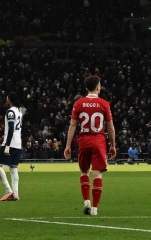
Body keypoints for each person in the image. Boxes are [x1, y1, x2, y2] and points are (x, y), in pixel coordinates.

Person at [63, 75, 117, 216]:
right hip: (98, 140)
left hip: (84, 140)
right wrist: (113, 145)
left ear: (87, 88)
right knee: (97, 174)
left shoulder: (78, 103)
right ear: (98, 88)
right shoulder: (104, 104)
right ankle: (94, 209)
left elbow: (73, 125)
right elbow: (110, 128)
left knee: (84, 171)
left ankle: (86, 201)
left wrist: (68, 145)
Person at [0, 91, 25, 201]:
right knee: (13, 168)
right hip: (18, 143)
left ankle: (8, 190)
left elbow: (11, 128)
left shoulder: (10, 112)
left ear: (10, 100)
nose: (6, 100)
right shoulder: (20, 112)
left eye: (7, 98)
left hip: (9, 142)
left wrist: (6, 145)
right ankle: (15, 194)